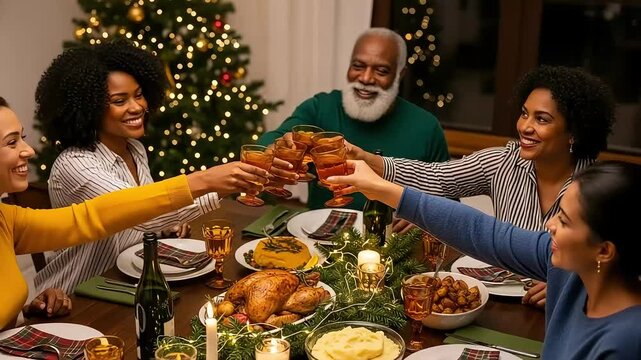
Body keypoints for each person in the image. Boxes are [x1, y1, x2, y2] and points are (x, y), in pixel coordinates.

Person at [344, 65, 616, 307]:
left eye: (542, 119)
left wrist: (572, 284)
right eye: (524, 114)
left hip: (562, 313)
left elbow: (620, 266)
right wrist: (368, 160)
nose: (525, 127)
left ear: (575, 132)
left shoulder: (597, 188)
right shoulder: (502, 161)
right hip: (496, 300)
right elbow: (437, 177)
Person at [0, 96, 268, 329]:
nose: (28, 150)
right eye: (12, 143)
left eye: (22, 138)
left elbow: (92, 217)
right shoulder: (74, 163)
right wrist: (204, 181)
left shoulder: (7, 218)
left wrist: (24, 312)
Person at [329, 159, 641, 359]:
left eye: (566, 221)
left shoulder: (626, 340)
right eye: (558, 212)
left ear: (604, 250)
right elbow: (484, 233)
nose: (550, 225)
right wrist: (381, 189)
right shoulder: (571, 269)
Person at [30, 41, 257, 294]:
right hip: (77, 296)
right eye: (120, 100)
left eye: (138, 95)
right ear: (90, 109)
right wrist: (213, 182)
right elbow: (144, 214)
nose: (137, 107)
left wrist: (167, 224)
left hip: (125, 283)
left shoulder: (134, 149)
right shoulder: (76, 164)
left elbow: (149, 215)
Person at [257, 27, 450, 210]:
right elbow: (271, 140)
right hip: (319, 234)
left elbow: (449, 199)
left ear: (400, 75)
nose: (366, 78)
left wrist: (423, 213)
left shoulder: (426, 127)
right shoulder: (320, 107)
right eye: (358, 66)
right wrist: (275, 151)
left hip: (394, 240)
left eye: (381, 71)